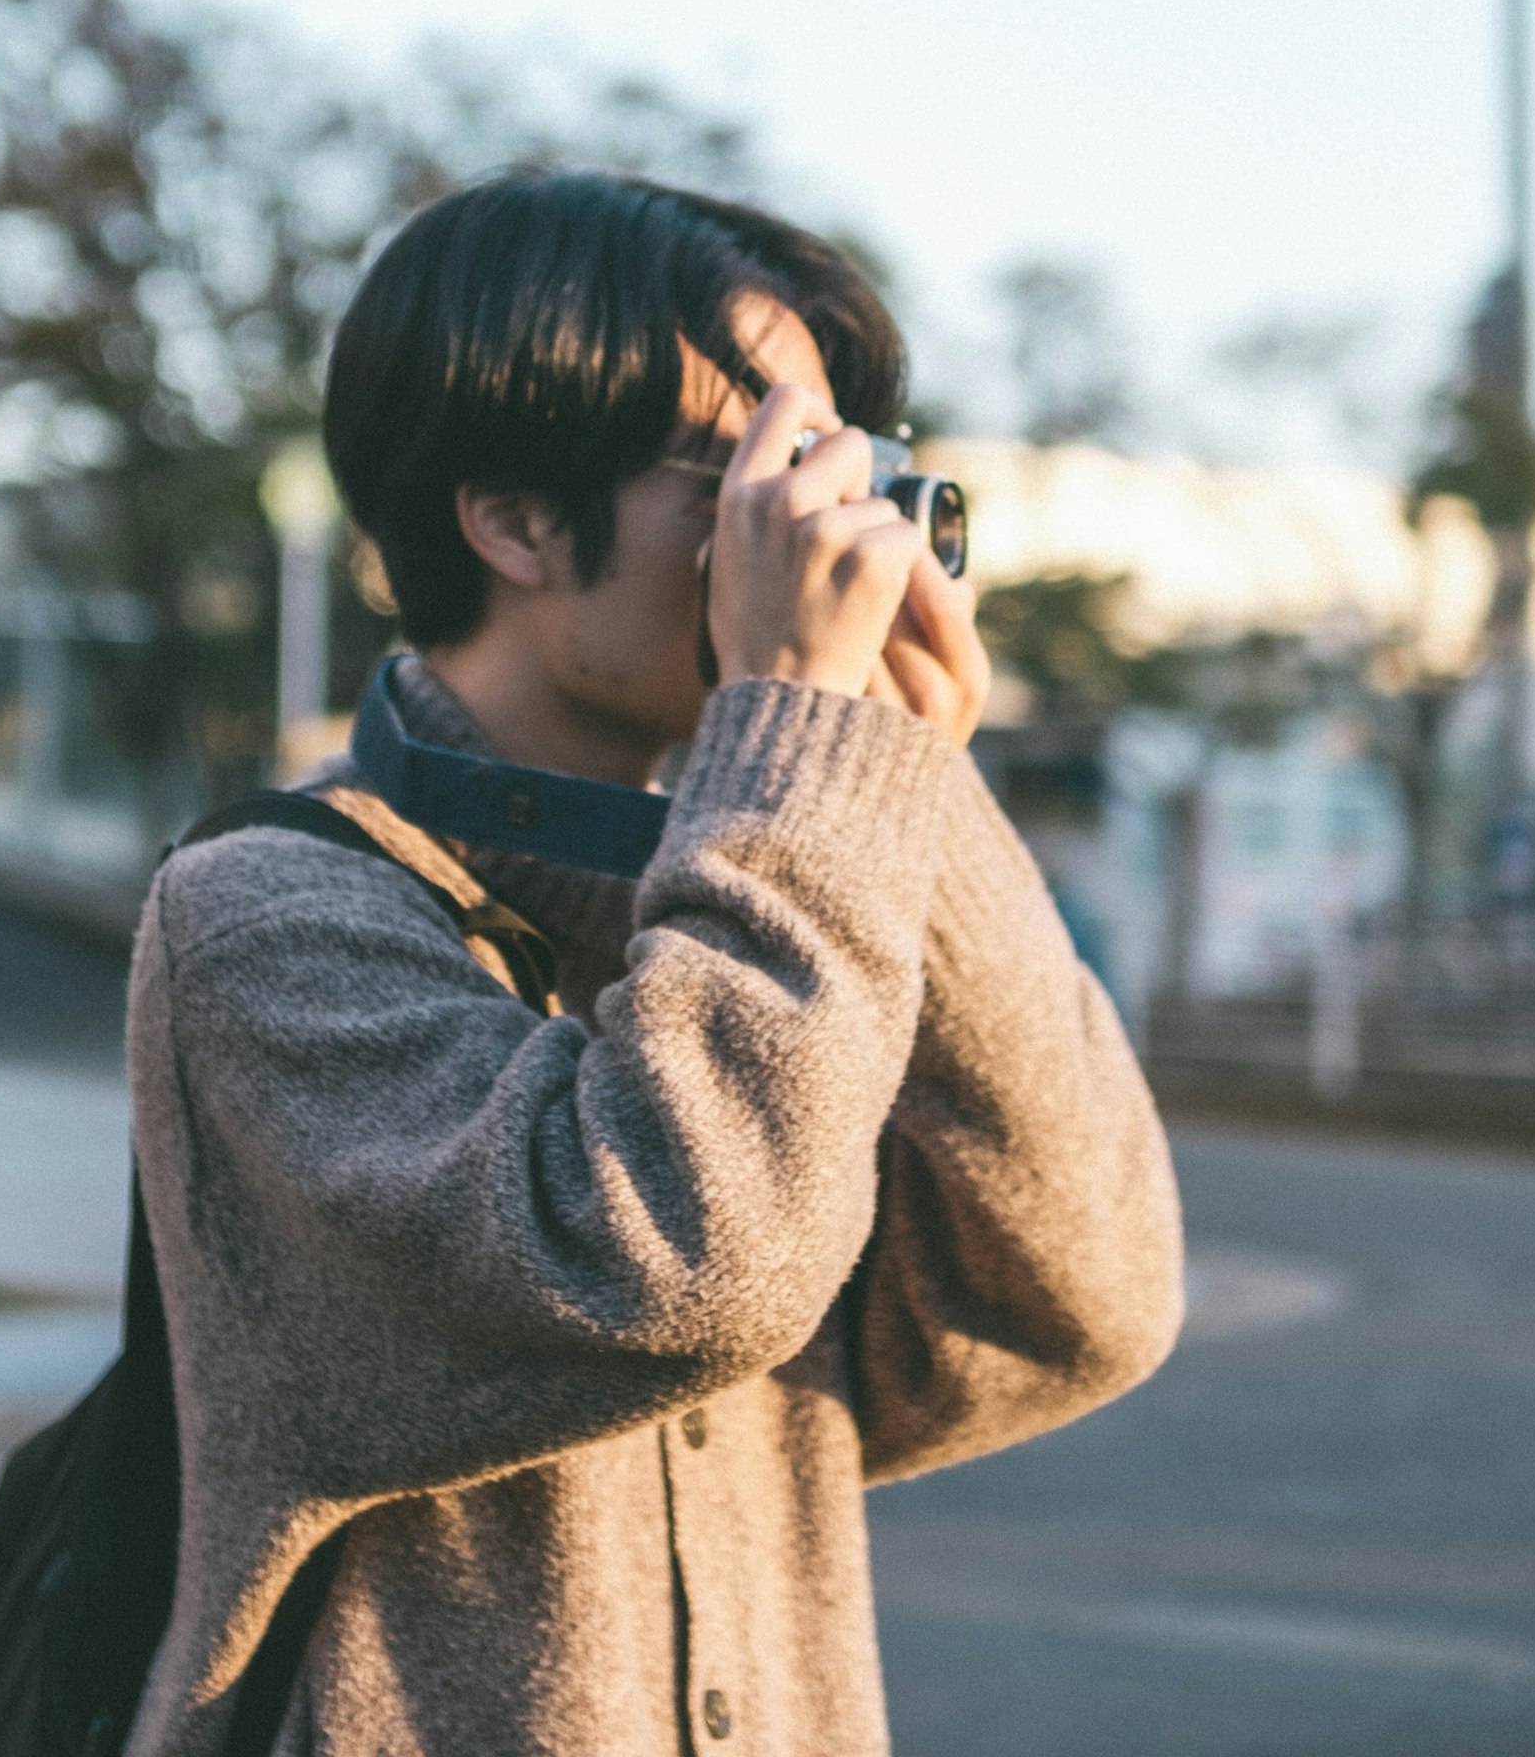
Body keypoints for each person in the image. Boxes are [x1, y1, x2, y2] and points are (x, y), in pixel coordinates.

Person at [124, 171, 1183, 1755]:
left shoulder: (765, 868)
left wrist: (901, 769)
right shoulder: (267, 918)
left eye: (845, 474)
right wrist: (810, 751)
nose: (828, 538)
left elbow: (1089, 1290)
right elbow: (675, 1264)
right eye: (758, 476)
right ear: (515, 520)